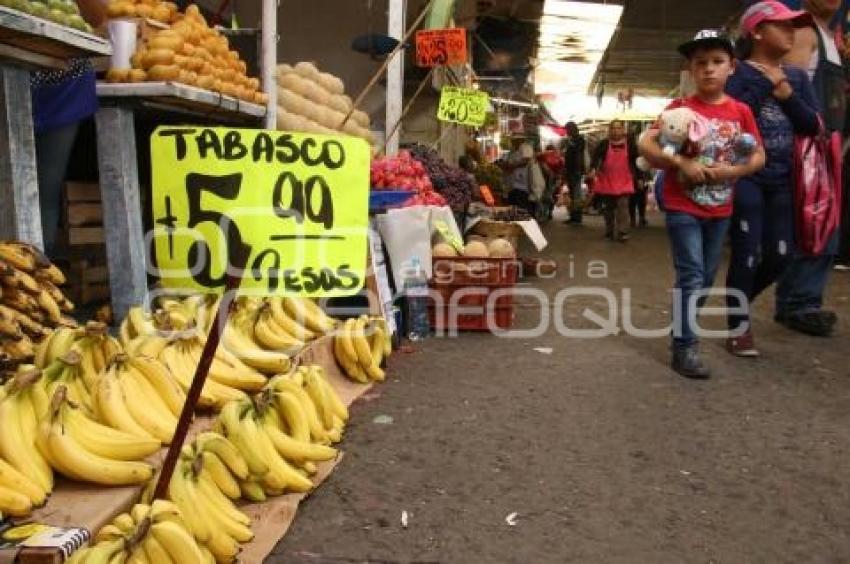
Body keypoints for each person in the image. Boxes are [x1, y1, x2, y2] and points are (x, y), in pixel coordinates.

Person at [638, 30, 766, 379]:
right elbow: (647, 145)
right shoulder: (678, 110)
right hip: (683, 206)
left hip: (721, 208)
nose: (709, 69)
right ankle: (685, 346)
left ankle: (683, 328)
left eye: (717, 62)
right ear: (690, 70)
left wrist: (734, 170)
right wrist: (682, 164)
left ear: (732, 67)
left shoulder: (740, 111)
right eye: (701, 63)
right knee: (692, 274)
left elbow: (758, 155)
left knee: (706, 277)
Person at [724, 1, 820, 357]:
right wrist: (764, 86)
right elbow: (728, 117)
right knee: (747, 252)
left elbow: (813, 125)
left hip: (783, 179)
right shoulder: (735, 72)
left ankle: (737, 301)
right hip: (744, 175)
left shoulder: (796, 77)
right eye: (782, 25)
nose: (791, 31)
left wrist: (787, 95)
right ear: (758, 31)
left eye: (794, 26)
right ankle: (738, 326)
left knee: (781, 255)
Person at [774, 0, 846, 336]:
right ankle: (797, 303)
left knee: (825, 222)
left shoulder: (833, 37)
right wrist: (808, 135)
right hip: (809, 144)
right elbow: (788, 90)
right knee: (810, 220)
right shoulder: (805, 31)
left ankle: (804, 299)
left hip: (829, 145)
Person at [33, 0, 108, 257]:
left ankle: (32, 281)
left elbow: (102, 18)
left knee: (45, 190)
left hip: (63, 83)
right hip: (13, 67)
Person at [586, 120, 640, 242]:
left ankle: (622, 232)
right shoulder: (603, 144)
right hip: (607, 180)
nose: (616, 131)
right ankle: (609, 231)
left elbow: (637, 162)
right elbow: (595, 159)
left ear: (623, 130)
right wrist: (593, 169)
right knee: (608, 209)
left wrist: (641, 177)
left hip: (625, 180)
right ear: (609, 131)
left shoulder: (630, 145)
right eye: (613, 129)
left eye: (619, 128)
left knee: (623, 207)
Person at [561, 122, 586, 224]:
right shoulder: (571, 140)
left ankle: (577, 217)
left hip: (576, 171)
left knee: (576, 194)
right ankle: (573, 216)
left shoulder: (579, 140)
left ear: (573, 129)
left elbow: (578, 155)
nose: (567, 132)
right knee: (573, 194)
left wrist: (578, 170)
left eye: (568, 129)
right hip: (571, 171)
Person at [503, 136, 535, 215]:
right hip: (511, 184)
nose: (513, 141)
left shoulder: (526, 148)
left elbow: (526, 161)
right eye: (513, 140)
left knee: (522, 207)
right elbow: (507, 163)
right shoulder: (511, 152)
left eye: (515, 140)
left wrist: (513, 166)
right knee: (513, 207)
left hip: (522, 185)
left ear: (521, 140)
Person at [537, 143, 565, 220]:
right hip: (553, 179)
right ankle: (549, 212)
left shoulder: (544, 155)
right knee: (551, 195)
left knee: (545, 196)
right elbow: (562, 168)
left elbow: (535, 157)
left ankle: (544, 212)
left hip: (545, 178)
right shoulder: (558, 157)